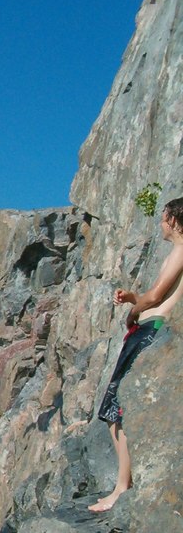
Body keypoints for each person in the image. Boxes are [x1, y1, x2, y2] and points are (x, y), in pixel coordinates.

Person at [89, 197, 183, 512]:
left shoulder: (181, 251)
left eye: (162, 217)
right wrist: (134, 299)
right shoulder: (175, 254)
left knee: (116, 412)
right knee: (113, 412)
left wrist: (134, 311)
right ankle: (121, 485)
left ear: (173, 219)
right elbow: (153, 297)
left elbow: (156, 297)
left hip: (148, 332)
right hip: (147, 328)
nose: (160, 223)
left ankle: (121, 488)